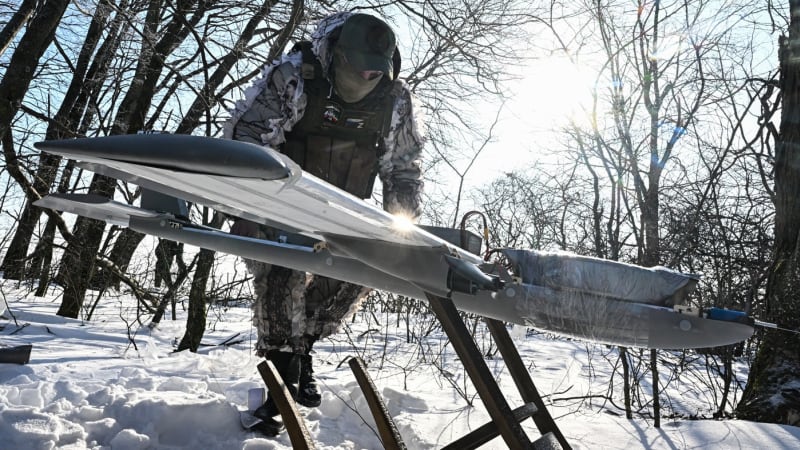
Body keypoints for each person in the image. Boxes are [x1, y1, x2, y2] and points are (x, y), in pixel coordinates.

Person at [224, 11, 424, 435]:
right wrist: (245, 212)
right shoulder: (295, 77)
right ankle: (278, 383)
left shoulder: (395, 100)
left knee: (353, 278)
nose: (369, 75)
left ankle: (302, 354)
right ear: (337, 56)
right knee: (282, 278)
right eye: (360, 67)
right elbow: (246, 143)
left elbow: (403, 167)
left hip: (347, 211)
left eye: (377, 69)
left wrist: (398, 230)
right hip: (281, 205)